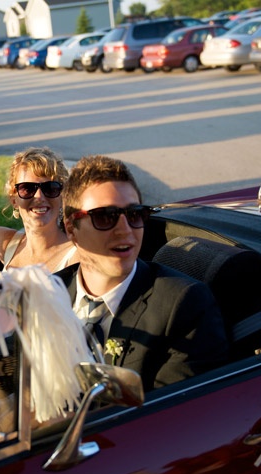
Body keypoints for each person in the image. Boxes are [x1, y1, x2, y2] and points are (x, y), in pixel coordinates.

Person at [57, 154, 229, 391]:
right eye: (105, 217)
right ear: (71, 229)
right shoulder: (47, 292)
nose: (125, 230)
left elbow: (175, 408)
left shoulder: (184, 305)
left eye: (134, 214)